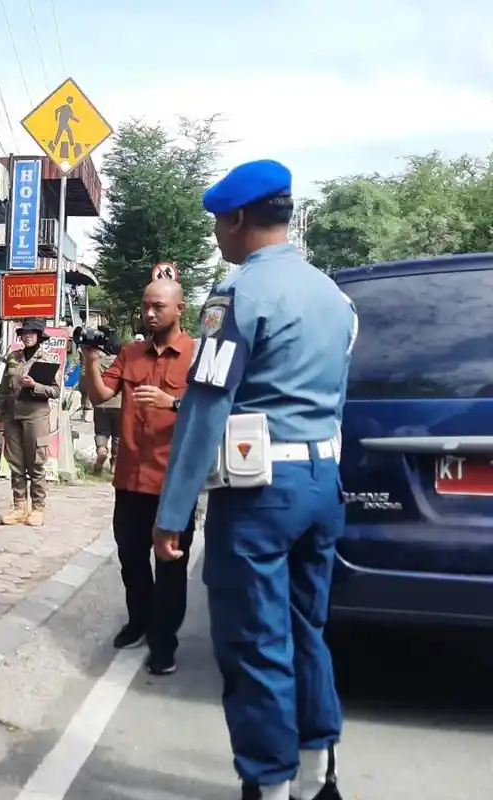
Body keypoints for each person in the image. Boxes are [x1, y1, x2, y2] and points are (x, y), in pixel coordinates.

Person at [154, 160, 355, 800]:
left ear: (238, 219)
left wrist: (172, 513)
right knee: (306, 632)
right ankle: (318, 778)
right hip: (323, 483)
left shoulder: (238, 295)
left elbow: (207, 406)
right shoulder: (335, 295)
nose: (216, 234)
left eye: (218, 221)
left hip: (260, 494)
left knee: (255, 642)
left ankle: (268, 786)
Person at [81, 279, 196, 676]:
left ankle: (164, 643)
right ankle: (139, 621)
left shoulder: (196, 355)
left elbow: (214, 407)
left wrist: (173, 402)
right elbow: (98, 396)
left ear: (179, 308)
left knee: (170, 566)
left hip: (173, 484)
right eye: (145, 306)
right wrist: (90, 359)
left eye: (158, 306)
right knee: (131, 557)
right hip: (129, 479)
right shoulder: (130, 353)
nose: (149, 313)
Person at [0, 317, 60, 527]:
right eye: (25, 332)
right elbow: (3, 390)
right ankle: (19, 506)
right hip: (13, 417)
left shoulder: (47, 360)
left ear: (40, 336)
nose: (28, 335)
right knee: (16, 464)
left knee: (36, 464)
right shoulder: (13, 357)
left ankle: (38, 508)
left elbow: (56, 391)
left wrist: (34, 385)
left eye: (32, 332)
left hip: (35, 417)